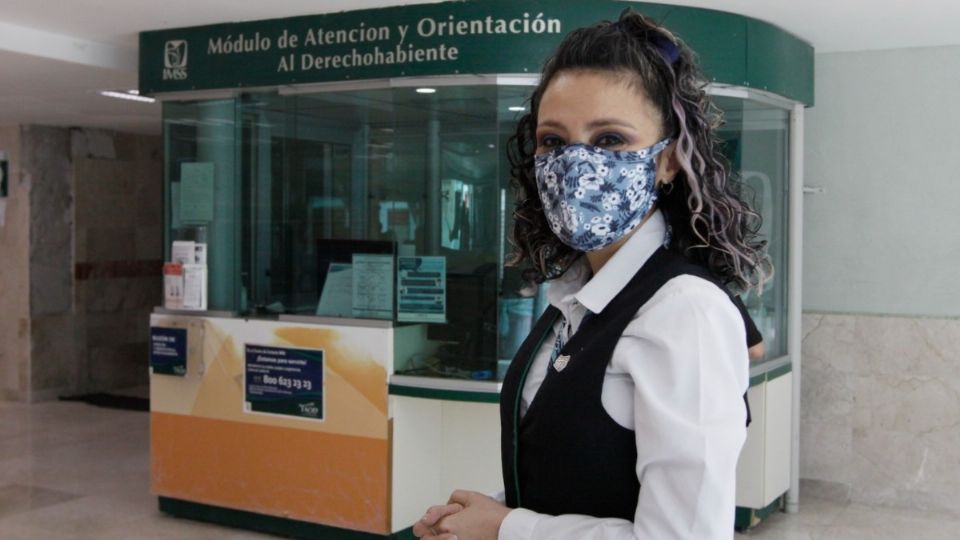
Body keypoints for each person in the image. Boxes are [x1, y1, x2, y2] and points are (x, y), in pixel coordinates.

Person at [414, 8, 770, 540]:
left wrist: (508, 528)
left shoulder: (683, 310)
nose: (576, 165)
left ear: (668, 160)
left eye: (609, 140)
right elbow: (582, 474)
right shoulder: (575, 296)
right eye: (553, 142)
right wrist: (490, 510)